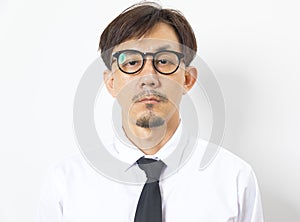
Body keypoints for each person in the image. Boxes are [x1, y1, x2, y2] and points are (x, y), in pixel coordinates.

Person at [36, 2, 264, 222]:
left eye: (164, 61)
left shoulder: (235, 179)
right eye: (131, 62)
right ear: (111, 82)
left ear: (187, 79)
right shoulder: (65, 183)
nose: (148, 78)